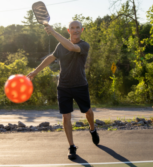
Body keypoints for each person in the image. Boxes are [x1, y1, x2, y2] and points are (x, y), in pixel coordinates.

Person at [27, 21, 99, 160]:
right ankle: (72, 146)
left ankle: (92, 129)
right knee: (66, 117)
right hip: (64, 86)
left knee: (88, 112)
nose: (75, 30)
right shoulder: (60, 46)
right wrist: (35, 71)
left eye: (78, 27)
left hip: (80, 85)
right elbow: (50, 58)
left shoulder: (84, 45)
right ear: (68, 30)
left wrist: (53, 32)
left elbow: (72, 47)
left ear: (82, 30)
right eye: (72, 28)